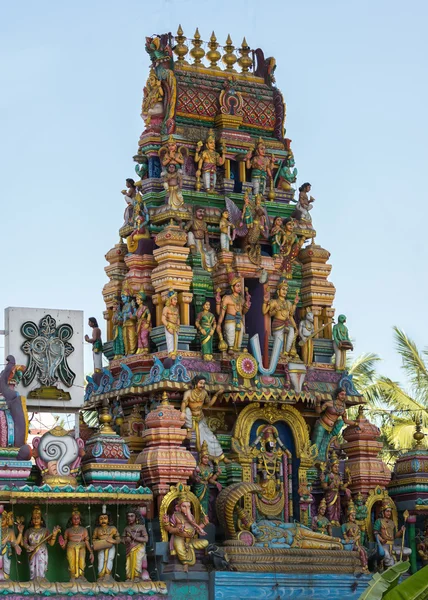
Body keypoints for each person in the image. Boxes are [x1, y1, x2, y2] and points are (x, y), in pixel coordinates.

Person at [181, 376, 225, 461]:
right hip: (190, 420)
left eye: (203, 384)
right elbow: (184, 404)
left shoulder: (204, 393)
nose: (202, 385)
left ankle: (220, 457)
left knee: (210, 438)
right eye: (200, 383)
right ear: (195, 383)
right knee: (187, 410)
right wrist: (182, 412)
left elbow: (208, 405)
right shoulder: (188, 393)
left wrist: (217, 394)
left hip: (201, 419)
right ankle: (189, 431)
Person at [162, 493, 209, 571]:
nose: (187, 509)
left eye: (189, 507)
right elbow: (169, 529)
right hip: (179, 537)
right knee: (179, 547)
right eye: (184, 506)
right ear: (178, 508)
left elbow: (196, 530)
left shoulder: (191, 517)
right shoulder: (175, 516)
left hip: (190, 540)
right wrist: (172, 526)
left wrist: (204, 523)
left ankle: (189, 546)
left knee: (205, 542)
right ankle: (185, 563)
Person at [312, 387, 358, 463]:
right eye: (342, 394)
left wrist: (357, 424)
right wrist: (318, 402)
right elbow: (318, 411)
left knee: (325, 446)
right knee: (316, 444)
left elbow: (345, 420)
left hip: (330, 430)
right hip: (321, 425)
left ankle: (320, 463)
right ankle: (311, 462)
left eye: (344, 395)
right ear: (337, 395)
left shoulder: (343, 407)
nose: (343, 396)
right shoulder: (329, 403)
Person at [22, 506, 60, 580]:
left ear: (41, 519)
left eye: (38, 518)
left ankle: (41, 579)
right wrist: (29, 547)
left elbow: (51, 543)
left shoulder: (45, 530)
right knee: (32, 569)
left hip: (42, 551)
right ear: (31, 520)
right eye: (34, 518)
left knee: (41, 566)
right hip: (32, 552)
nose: (36, 520)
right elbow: (24, 543)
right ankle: (33, 580)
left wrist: (54, 535)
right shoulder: (28, 531)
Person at [262, 280, 298, 357]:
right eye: (283, 289)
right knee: (279, 341)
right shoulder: (274, 302)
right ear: (278, 291)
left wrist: (295, 303)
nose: (285, 291)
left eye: (286, 290)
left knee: (291, 335)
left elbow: (291, 315)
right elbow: (266, 312)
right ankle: (279, 355)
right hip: (278, 324)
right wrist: (266, 303)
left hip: (288, 323)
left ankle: (286, 353)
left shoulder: (288, 303)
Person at [216, 277, 250, 353]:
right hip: (230, 320)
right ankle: (230, 348)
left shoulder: (241, 299)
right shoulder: (227, 298)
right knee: (230, 332)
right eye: (237, 286)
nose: (239, 288)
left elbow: (243, 312)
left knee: (240, 336)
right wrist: (219, 324)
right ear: (232, 287)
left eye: (240, 286)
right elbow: (221, 313)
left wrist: (247, 306)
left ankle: (237, 349)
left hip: (239, 320)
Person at [373, 500, 411, 567]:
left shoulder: (392, 522)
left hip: (393, 546)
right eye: (387, 511)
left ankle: (395, 564)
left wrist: (401, 531)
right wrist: (381, 540)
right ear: (383, 512)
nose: (389, 513)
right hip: (383, 545)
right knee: (386, 554)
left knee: (408, 551)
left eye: (390, 511)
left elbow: (395, 535)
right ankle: (391, 568)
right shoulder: (379, 521)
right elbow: (375, 533)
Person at [59, 507, 93, 580]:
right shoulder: (68, 530)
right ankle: (72, 577)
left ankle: (81, 576)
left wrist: (91, 552)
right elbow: (64, 545)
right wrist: (62, 544)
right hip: (70, 547)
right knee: (72, 564)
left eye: (78, 518)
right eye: (74, 518)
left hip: (81, 547)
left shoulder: (84, 530)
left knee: (82, 562)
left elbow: (87, 541)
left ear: (80, 519)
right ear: (71, 520)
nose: (76, 520)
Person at [192, 441, 222, 514]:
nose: (206, 460)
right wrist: (195, 477)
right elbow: (193, 476)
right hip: (198, 488)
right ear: (200, 458)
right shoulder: (197, 467)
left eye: (207, 458)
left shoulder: (208, 469)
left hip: (206, 488)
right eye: (205, 458)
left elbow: (210, 480)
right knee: (198, 504)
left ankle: (204, 519)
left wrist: (217, 476)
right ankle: (198, 519)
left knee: (205, 505)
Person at [122, 508, 150, 581]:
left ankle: (137, 577)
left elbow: (146, 539)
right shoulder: (126, 528)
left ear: (136, 517)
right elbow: (122, 539)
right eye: (128, 516)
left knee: (137, 562)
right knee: (128, 564)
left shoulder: (141, 527)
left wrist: (135, 537)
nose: (129, 518)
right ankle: (128, 577)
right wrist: (126, 540)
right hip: (129, 548)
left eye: (132, 516)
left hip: (138, 547)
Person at [92, 511, 121, 581]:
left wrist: (113, 541)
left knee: (110, 559)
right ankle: (101, 576)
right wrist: (97, 543)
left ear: (108, 520)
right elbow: (93, 539)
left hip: (111, 547)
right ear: (98, 521)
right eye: (101, 518)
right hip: (101, 547)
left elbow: (118, 539)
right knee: (101, 560)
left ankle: (108, 575)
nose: (103, 520)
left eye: (105, 518)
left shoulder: (113, 528)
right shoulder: (97, 529)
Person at [341, 501, 369, 573]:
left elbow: (359, 535)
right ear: (348, 516)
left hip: (356, 542)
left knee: (365, 551)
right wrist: (348, 539)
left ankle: (365, 567)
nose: (353, 517)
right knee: (361, 551)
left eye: (354, 515)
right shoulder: (344, 525)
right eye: (351, 515)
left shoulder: (356, 526)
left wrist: (356, 539)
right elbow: (344, 535)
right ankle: (364, 566)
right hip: (350, 543)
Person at [0, 511, 23, 580]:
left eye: (3, 519)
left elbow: (15, 542)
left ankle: (5, 579)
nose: (1, 521)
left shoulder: (10, 531)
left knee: (6, 567)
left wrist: (20, 532)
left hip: (6, 552)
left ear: (7, 520)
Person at [162, 290, 180, 359]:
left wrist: (178, 327)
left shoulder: (176, 309)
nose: (176, 301)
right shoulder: (166, 308)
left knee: (175, 341)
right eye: (174, 299)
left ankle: (174, 353)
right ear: (170, 299)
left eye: (176, 299)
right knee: (170, 340)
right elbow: (163, 319)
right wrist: (168, 326)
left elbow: (178, 318)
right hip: (169, 325)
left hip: (175, 327)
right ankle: (171, 353)